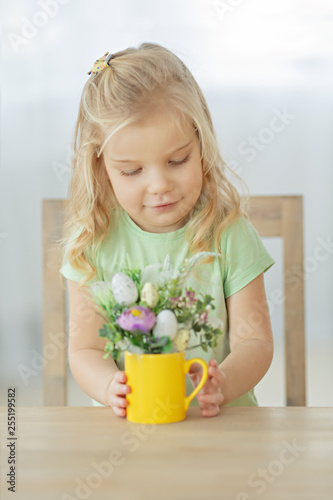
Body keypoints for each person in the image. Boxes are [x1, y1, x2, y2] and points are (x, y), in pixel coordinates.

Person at [59, 43, 275, 418]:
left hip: (222, 433)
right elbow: (85, 350)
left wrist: (223, 383)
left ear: (202, 143)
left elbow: (254, 340)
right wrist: (108, 385)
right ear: (101, 168)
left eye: (178, 160)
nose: (159, 185)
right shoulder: (92, 244)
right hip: (127, 436)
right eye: (132, 171)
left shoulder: (228, 232)